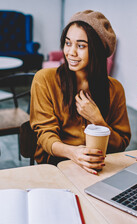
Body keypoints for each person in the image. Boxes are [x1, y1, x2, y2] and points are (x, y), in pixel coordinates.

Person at [30, 10, 131, 174]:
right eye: (68, 43)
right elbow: (45, 136)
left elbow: (121, 143)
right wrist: (74, 153)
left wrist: (98, 121)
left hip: (100, 169)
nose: (71, 52)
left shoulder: (115, 89)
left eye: (81, 46)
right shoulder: (44, 79)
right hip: (56, 168)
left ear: (98, 50)